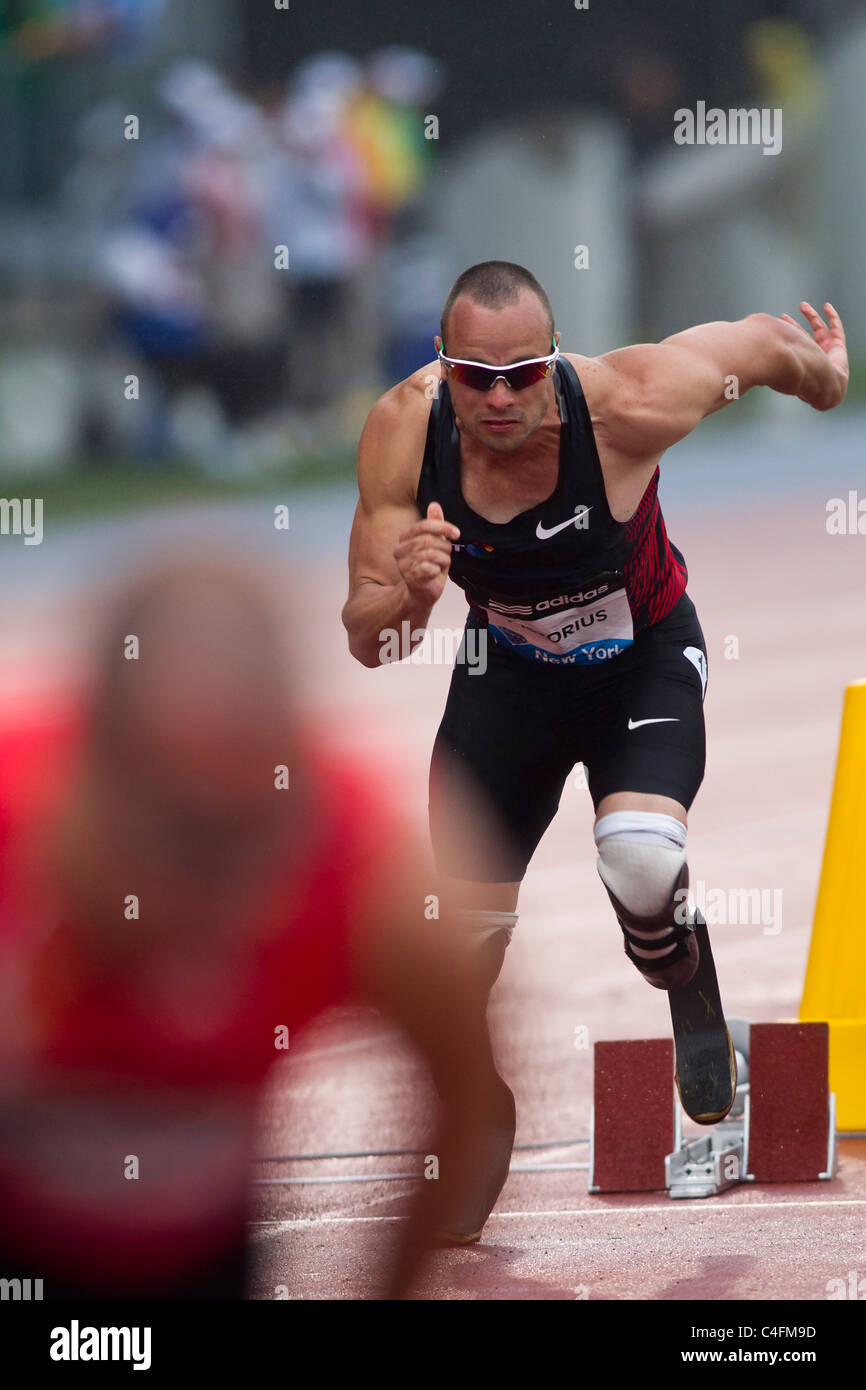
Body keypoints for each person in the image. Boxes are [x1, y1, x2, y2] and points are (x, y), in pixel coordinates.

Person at [342, 259, 849, 1230]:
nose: (497, 398)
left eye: (523, 373)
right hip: (507, 687)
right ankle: (476, 1113)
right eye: (472, 375)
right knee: (452, 956)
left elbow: (765, 344)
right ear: (439, 366)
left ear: (556, 357)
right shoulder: (404, 427)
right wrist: (404, 596)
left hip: (640, 666)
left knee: (638, 861)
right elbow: (367, 639)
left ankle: (680, 970)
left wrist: (825, 375)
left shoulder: (630, 400)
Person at [0, 556, 510, 1298]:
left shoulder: (375, 886)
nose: (211, 884)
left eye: (242, 835)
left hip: (202, 1252)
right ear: (85, 771)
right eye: (182, 834)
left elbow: (464, 1101)